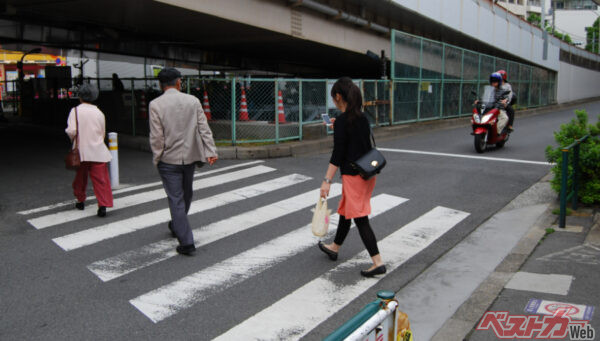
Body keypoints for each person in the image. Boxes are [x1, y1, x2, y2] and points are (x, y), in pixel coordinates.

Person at [317, 77, 386, 278]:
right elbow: (356, 140)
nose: (334, 102)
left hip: (353, 176)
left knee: (360, 218)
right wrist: (338, 127)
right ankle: (335, 247)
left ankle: (377, 262)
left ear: (338, 96)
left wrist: (326, 181)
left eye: (334, 98)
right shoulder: (361, 118)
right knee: (347, 212)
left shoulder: (342, 123)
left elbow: (337, 155)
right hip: (367, 174)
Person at [149, 68, 218, 256]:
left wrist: (157, 157)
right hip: (190, 157)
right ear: (179, 83)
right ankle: (182, 232)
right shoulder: (193, 101)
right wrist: (210, 151)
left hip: (168, 159)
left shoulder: (155, 105)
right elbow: (204, 128)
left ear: (160, 84)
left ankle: (182, 234)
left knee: (176, 198)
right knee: (186, 194)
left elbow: (156, 137)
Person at [65, 83, 113, 217]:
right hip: (98, 151)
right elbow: (102, 133)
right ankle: (102, 205)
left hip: (81, 151)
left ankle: (80, 200)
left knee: (80, 178)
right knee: (101, 180)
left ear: (80, 96)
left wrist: (74, 140)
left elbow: (72, 131)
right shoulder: (99, 113)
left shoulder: (75, 111)